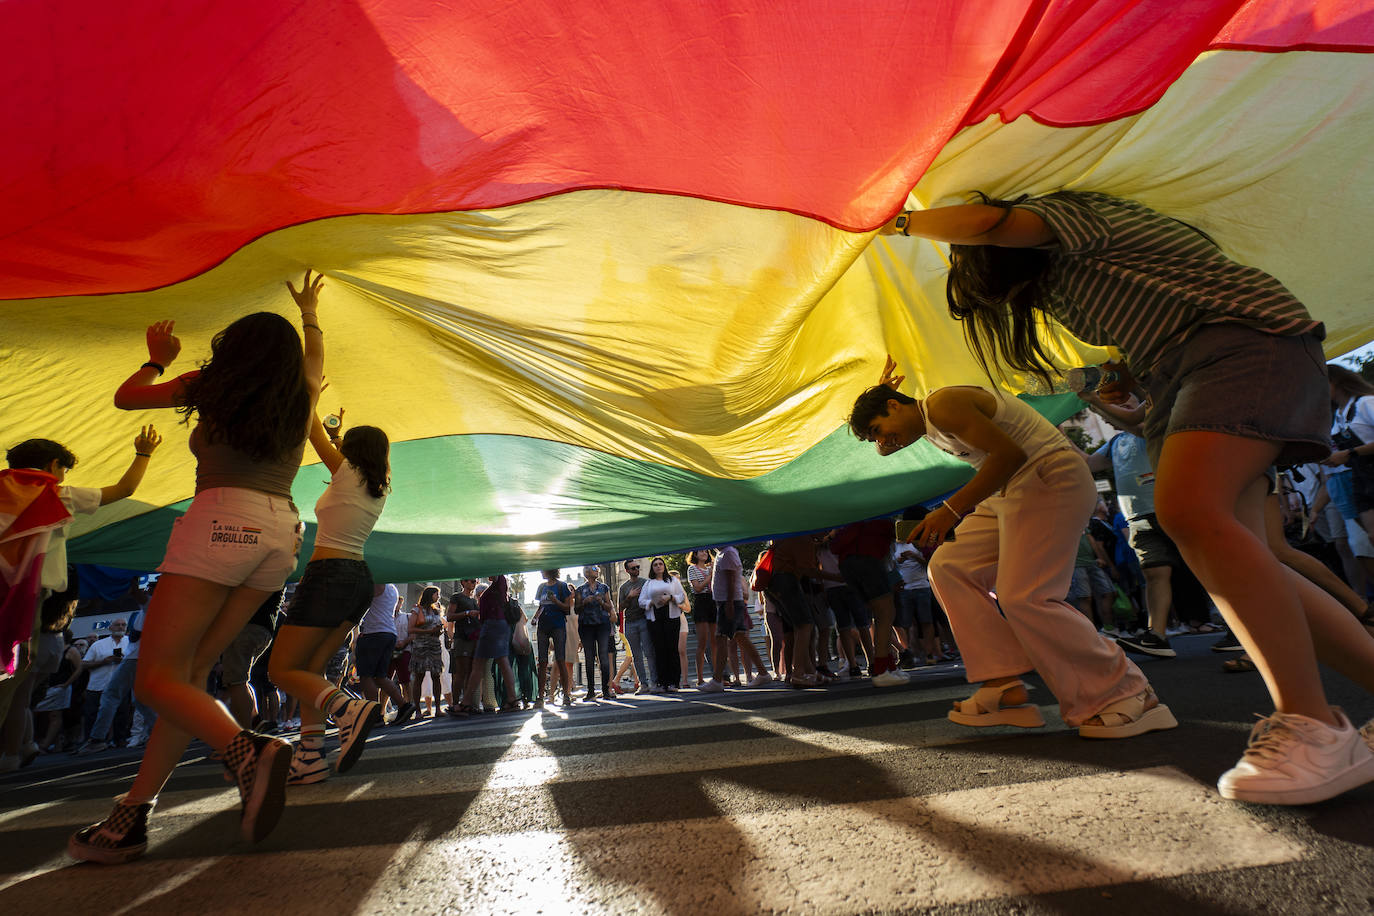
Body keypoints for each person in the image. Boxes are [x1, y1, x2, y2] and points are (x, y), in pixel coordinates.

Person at [883, 191, 1374, 803]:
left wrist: (891, 217)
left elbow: (987, 222)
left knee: (1189, 515)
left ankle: (1311, 723)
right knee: (1245, 556)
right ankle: (1334, 708)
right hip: (1186, 372)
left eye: (963, 258)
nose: (967, 267)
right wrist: (1126, 377)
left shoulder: (1069, 218)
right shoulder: (1066, 281)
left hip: (1240, 346)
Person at [69, 270, 324, 863]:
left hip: (217, 524)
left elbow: (127, 397)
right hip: (280, 533)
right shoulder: (302, 392)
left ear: (231, 351)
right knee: (189, 679)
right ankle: (131, 814)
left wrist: (157, 360)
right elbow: (313, 355)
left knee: (155, 678)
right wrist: (310, 312)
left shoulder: (213, 385)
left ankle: (248, 751)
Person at [850, 372, 1176, 740]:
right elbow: (886, 445)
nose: (882, 441)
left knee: (1026, 596)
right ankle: (1002, 683)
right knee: (948, 567)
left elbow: (1009, 455)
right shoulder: (920, 421)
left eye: (879, 428)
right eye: (874, 436)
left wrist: (950, 510)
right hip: (1012, 489)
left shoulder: (944, 403)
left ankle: (1132, 693)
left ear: (895, 407)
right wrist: (882, 400)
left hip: (1049, 476)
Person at [1, 430, 160, 771]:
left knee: (14, 683)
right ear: (54, 465)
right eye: (63, 470)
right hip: (29, 598)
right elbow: (124, 491)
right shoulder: (57, 494)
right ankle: (12, 755)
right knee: (13, 682)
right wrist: (143, 453)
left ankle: (15, 753)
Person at [267, 406, 391, 786]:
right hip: (356, 580)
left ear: (351, 452)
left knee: (280, 669)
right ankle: (309, 757)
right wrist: (339, 439)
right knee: (312, 674)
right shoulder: (378, 483)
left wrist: (310, 397)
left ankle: (347, 709)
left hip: (328, 577)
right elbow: (336, 456)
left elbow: (311, 431)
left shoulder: (345, 471)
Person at [699, 546, 771, 692]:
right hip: (727, 602)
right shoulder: (722, 554)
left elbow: (732, 580)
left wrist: (730, 603)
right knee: (740, 637)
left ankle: (717, 680)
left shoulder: (728, 553)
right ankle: (763, 673)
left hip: (729, 602)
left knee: (721, 638)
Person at [454, 576, 520, 715]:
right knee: (501, 662)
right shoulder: (497, 588)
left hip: (492, 625)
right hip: (496, 625)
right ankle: (512, 699)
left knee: (479, 664)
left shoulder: (498, 582)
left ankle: (466, 703)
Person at [354, 584, 413, 724]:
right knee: (380, 677)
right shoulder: (392, 588)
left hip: (374, 632)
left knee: (366, 676)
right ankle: (404, 706)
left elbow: (361, 605)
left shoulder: (378, 584)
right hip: (388, 633)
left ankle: (375, 716)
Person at [639, 558, 687, 693]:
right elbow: (641, 601)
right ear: (652, 568)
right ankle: (662, 682)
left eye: (660, 564)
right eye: (655, 565)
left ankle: (674, 682)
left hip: (671, 616)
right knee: (659, 650)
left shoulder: (673, 581)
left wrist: (671, 598)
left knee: (672, 648)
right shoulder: (648, 583)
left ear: (664, 566)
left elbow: (682, 597)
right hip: (655, 618)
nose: (658, 566)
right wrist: (652, 602)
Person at [533, 570, 573, 707]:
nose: (541, 573)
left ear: (550, 571)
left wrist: (556, 601)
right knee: (542, 662)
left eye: (543, 570)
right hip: (543, 626)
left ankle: (566, 695)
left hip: (558, 626)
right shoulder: (541, 587)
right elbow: (541, 606)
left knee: (560, 659)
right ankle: (540, 696)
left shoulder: (562, 586)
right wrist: (535, 617)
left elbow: (568, 609)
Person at [575, 566, 615, 701]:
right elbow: (576, 609)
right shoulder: (580, 590)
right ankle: (590, 691)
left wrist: (601, 602)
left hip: (602, 624)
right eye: (593, 568)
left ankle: (606, 691)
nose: (597, 570)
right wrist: (584, 602)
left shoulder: (604, 588)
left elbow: (610, 607)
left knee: (603, 656)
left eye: (597, 568)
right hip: (586, 626)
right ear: (586, 573)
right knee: (589, 657)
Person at [407, 587, 445, 718]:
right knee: (419, 677)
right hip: (421, 646)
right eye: (437, 594)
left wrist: (438, 630)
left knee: (436, 676)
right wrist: (428, 631)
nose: (438, 597)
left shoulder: (436, 611)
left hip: (434, 645)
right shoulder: (417, 610)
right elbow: (410, 628)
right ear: (430, 595)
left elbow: (439, 626)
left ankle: (438, 709)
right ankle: (418, 710)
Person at [618, 561, 655, 694]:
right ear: (627, 571)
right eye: (633, 568)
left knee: (649, 652)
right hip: (630, 622)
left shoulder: (645, 583)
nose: (637, 569)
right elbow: (620, 608)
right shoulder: (623, 588)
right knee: (636, 656)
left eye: (638, 567)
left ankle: (654, 682)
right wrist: (629, 597)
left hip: (644, 620)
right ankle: (643, 684)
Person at [445, 579, 480, 715]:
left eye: (475, 581)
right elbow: (449, 616)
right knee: (460, 673)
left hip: (474, 639)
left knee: (471, 672)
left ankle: (466, 703)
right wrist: (466, 613)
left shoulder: (474, 600)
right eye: (471, 581)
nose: (474, 583)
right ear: (463, 582)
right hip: (462, 638)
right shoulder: (457, 597)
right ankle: (455, 704)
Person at [685, 550, 715, 685]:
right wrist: (710, 576)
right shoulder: (692, 569)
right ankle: (700, 678)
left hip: (713, 601)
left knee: (715, 642)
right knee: (702, 642)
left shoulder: (711, 567)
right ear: (695, 555)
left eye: (705, 551)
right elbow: (697, 588)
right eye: (700, 551)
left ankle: (717, 676)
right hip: (701, 602)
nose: (704, 553)